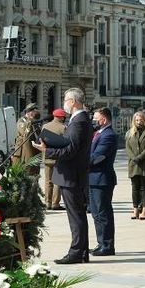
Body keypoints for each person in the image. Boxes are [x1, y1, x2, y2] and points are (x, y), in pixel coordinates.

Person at [36, 88, 93, 264]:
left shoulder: (78, 122)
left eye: (66, 100)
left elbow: (71, 150)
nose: (65, 104)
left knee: (76, 216)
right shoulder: (79, 120)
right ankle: (81, 252)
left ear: (74, 102)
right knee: (78, 215)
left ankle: (76, 252)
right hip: (73, 174)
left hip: (71, 175)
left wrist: (47, 150)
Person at [88, 107, 118, 256]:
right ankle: (101, 243)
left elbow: (97, 157)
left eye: (96, 118)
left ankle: (107, 245)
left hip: (102, 179)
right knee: (96, 213)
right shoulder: (98, 133)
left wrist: (79, 162)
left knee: (103, 213)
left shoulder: (108, 135)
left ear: (104, 119)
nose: (94, 121)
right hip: (93, 179)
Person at [125, 110, 145, 221]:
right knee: (134, 188)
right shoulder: (130, 133)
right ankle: (135, 209)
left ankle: (144, 209)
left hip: (144, 164)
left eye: (141, 120)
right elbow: (127, 147)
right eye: (137, 120)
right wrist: (133, 157)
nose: (139, 122)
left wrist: (140, 157)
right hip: (133, 164)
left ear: (144, 121)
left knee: (144, 188)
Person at [43, 109, 67, 209]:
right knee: (57, 181)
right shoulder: (63, 128)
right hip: (58, 158)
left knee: (48, 181)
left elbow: (42, 141)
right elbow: (66, 143)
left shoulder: (45, 126)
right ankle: (55, 203)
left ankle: (47, 202)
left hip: (47, 157)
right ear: (61, 117)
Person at [12, 102, 41, 173]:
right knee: (24, 173)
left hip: (34, 151)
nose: (35, 114)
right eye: (33, 112)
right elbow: (25, 133)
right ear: (29, 112)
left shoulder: (34, 122)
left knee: (34, 173)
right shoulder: (21, 121)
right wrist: (29, 122)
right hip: (23, 153)